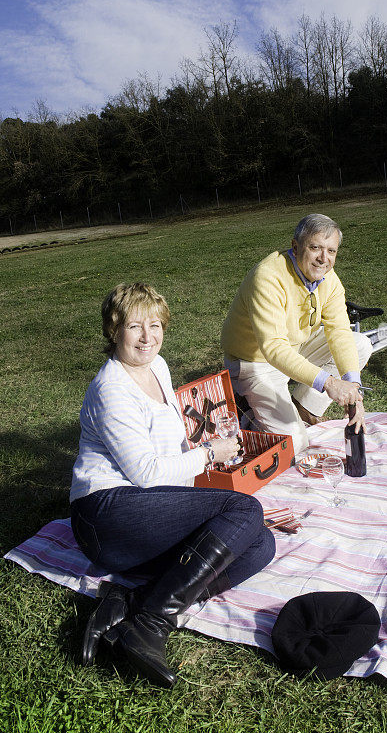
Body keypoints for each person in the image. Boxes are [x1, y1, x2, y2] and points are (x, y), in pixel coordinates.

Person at [70, 282, 275, 688]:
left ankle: (126, 602)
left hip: (143, 512)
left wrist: (206, 465)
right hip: (106, 516)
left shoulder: (157, 367)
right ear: (114, 331)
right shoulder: (111, 389)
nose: (148, 337)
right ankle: (150, 623)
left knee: (259, 542)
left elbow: (171, 453)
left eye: (155, 325)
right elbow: (147, 473)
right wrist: (209, 455)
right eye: (134, 326)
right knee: (245, 509)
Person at [221, 214, 373, 454]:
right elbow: (273, 348)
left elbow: (340, 331)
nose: (324, 259)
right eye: (315, 248)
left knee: (361, 343)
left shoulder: (328, 279)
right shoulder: (268, 276)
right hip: (255, 360)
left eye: (331, 251)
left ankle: (303, 409)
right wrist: (330, 383)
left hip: (294, 347)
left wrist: (353, 389)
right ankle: (248, 413)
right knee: (296, 445)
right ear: (295, 246)